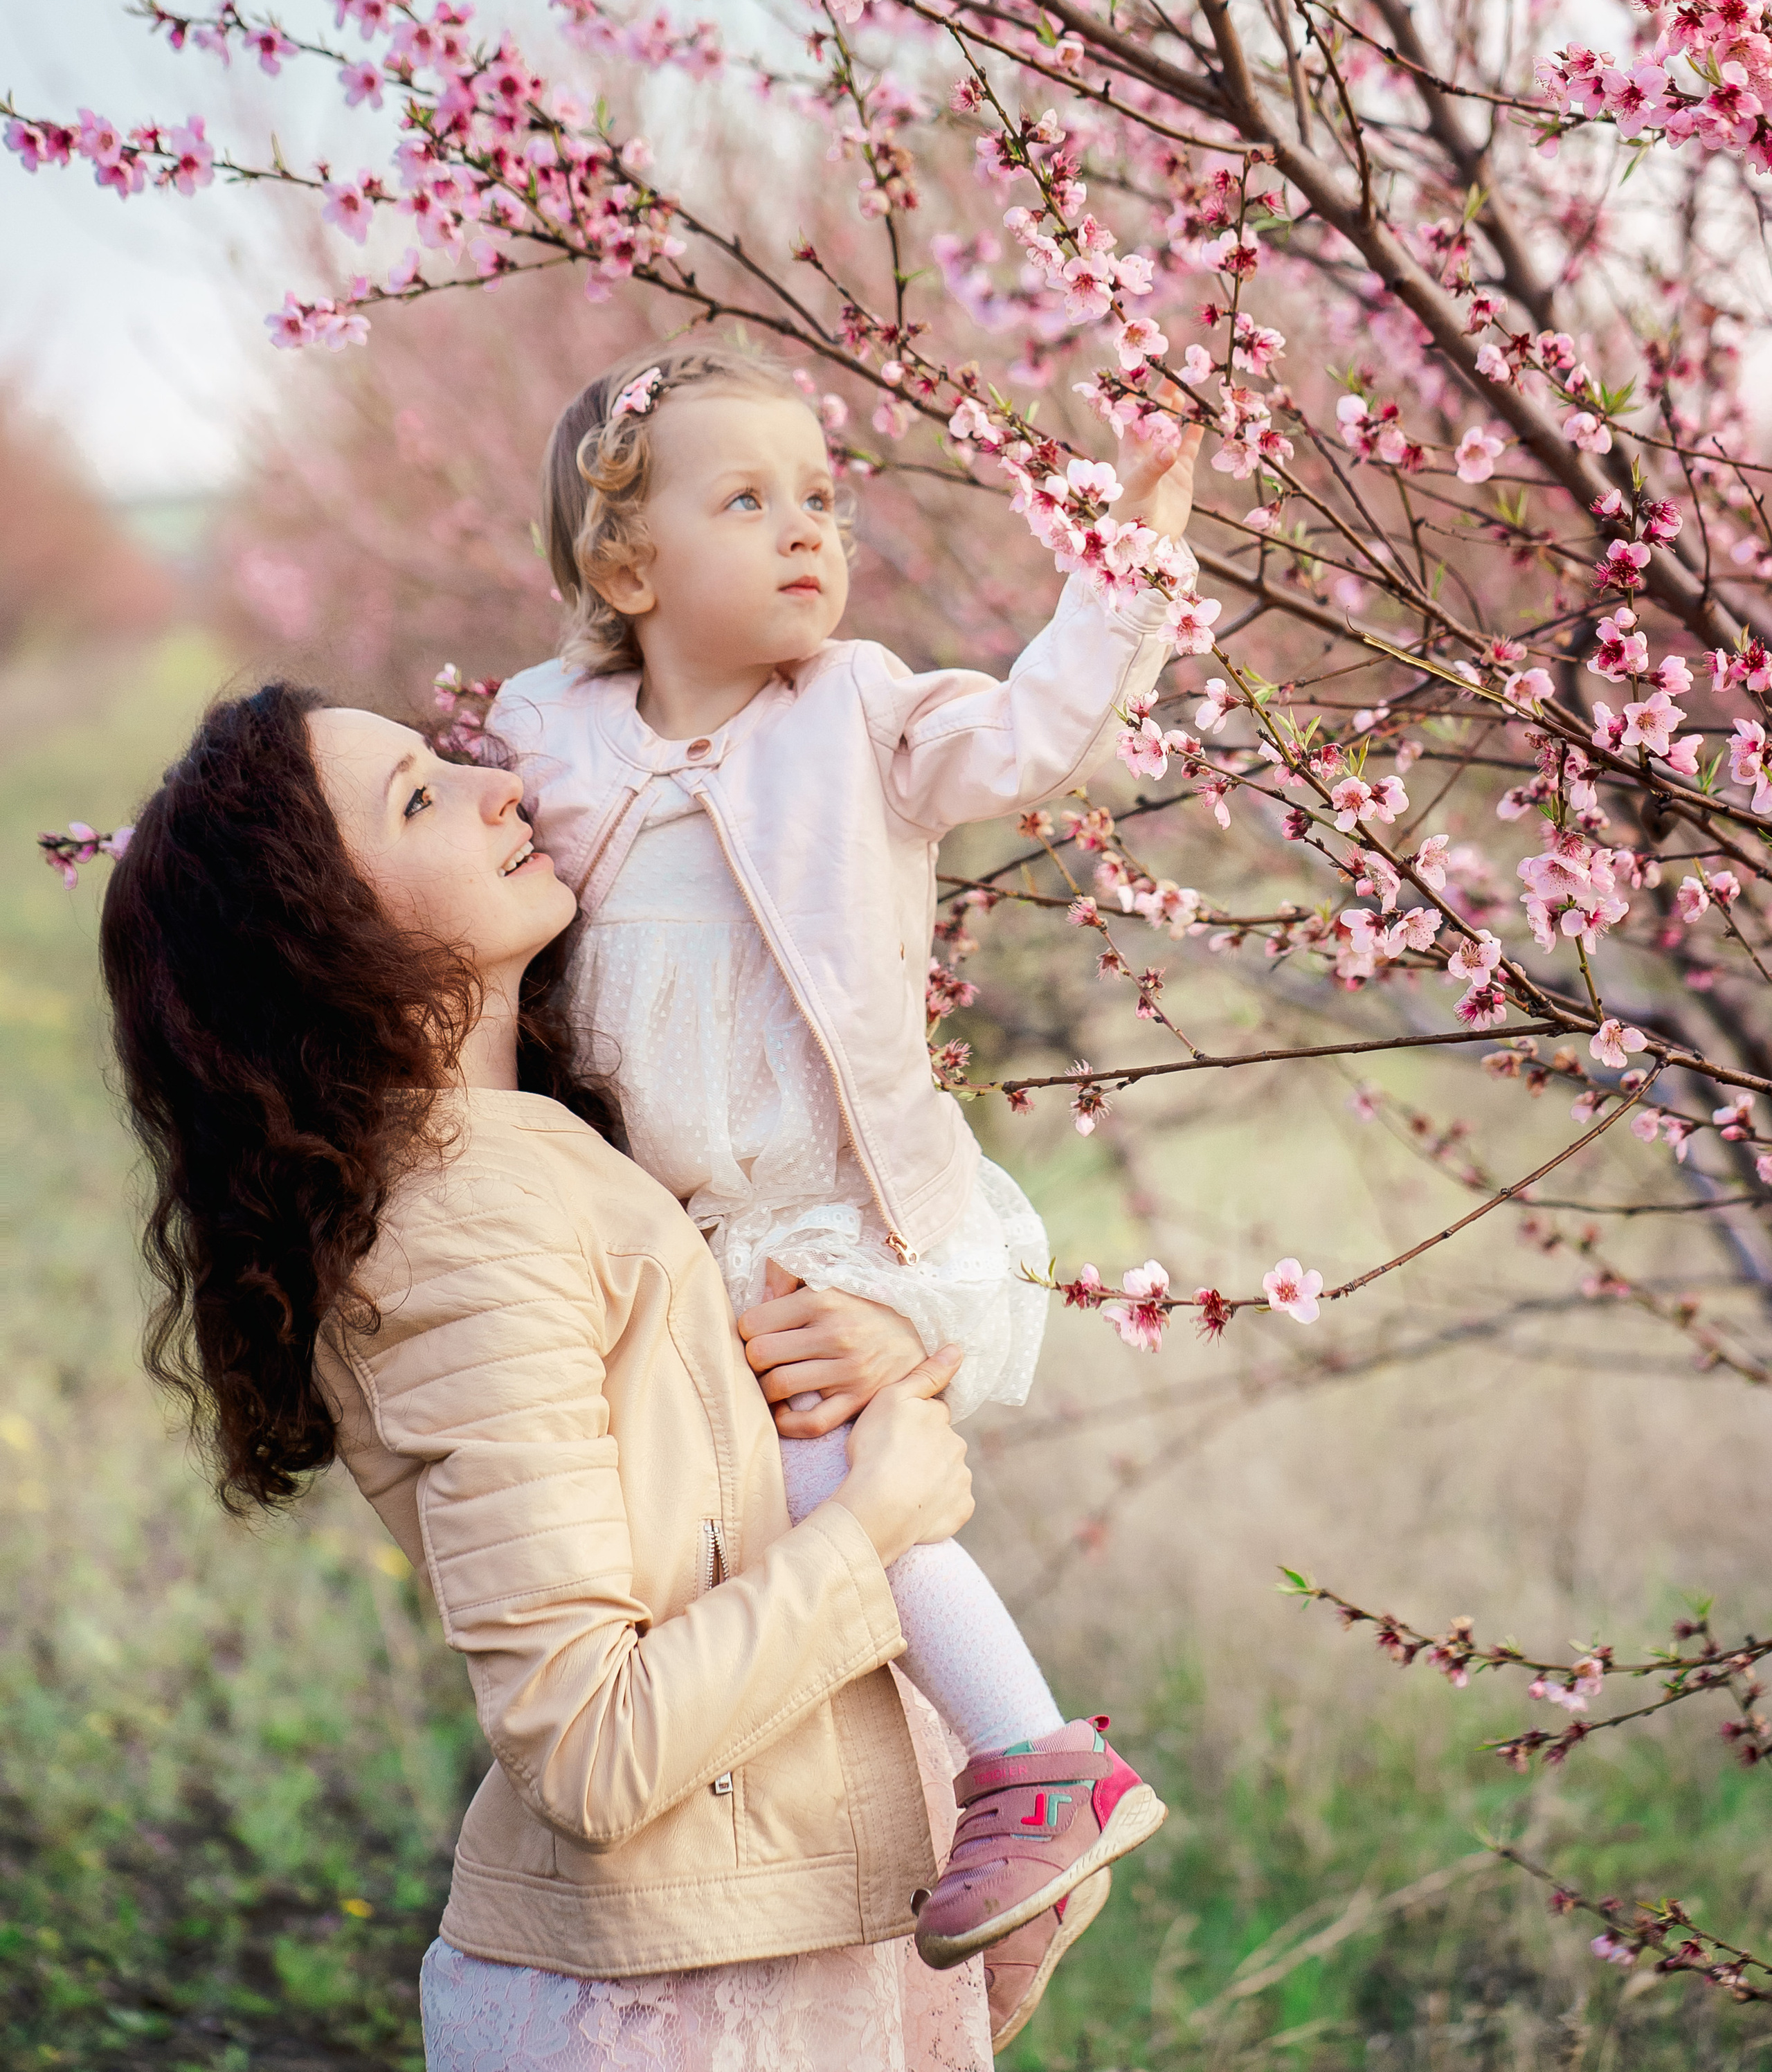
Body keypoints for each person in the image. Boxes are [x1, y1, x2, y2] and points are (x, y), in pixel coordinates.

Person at [98, 682, 1013, 2069]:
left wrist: (866, 1360)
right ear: (320, 939)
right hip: (678, 2005)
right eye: (418, 797)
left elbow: (712, 1490)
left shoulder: (549, 1153)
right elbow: (591, 1747)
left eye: (450, 760)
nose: (495, 787)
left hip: (774, 1946)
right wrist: (872, 1524)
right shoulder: (460, 1226)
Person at [487, 339, 1197, 1994]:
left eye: (822, 494)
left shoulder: (866, 711)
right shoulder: (547, 735)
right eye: (748, 499)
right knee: (717, 1554)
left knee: (825, 1470)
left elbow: (1039, 739)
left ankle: (1034, 1760)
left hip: (835, 1214)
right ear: (623, 560)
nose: (810, 527)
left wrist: (1128, 565)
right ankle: (826, 1893)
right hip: (659, 1231)